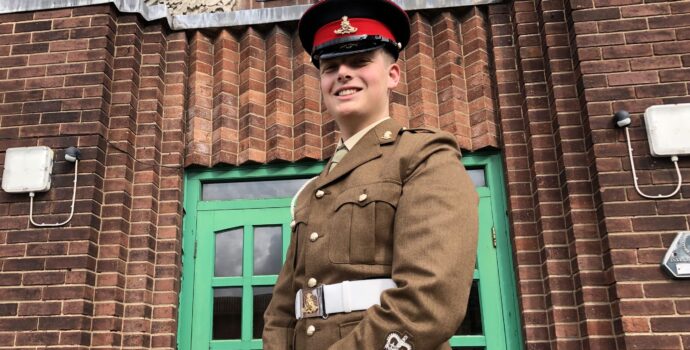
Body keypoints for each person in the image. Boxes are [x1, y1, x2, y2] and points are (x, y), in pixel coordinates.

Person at [262, 0, 478, 348]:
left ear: (393, 74)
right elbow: (284, 309)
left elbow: (428, 302)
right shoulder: (313, 190)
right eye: (330, 67)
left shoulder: (423, 157)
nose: (343, 73)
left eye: (360, 61)